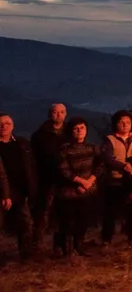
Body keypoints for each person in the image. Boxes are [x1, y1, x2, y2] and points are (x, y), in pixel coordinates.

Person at [102, 109, 132, 247]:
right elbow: (107, 158)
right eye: (121, 122)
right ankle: (106, 239)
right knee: (111, 212)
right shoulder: (110, 140)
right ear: (115, 124)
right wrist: (123, 166)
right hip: (115, 181)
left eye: (128, 122)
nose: (125, 125)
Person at [55, 119, 101, 258]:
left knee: (83, 219)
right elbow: (63, 170)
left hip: (88, 190)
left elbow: (100, 166)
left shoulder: (93, 148)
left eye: (82, 127)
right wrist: (81, 182)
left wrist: (89, 182)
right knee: (68, 220)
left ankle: (79, 245)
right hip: (69, 191)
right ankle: (66, 249)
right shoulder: (64, 149)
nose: (79, 130)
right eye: (76, 128)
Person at [0, 114, 39, 261]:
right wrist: (5, 194)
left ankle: (26, 254)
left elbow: (31, 165)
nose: (3, 126)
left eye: (7, 123)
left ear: (13, 126)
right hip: (2, 192)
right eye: (1, 124)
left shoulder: (21, 143)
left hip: (20, 190)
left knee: (26, 223)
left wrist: (32, 186)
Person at [30, 103, 69, 246]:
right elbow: (33, 159)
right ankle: (37, 245)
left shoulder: (70, 132)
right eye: (55, 112)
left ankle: (62, 245)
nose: (58, 115)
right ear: (49, 114)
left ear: (65, 114)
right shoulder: (40, 135)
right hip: (47, 178)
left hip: (66, 179)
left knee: (64, 212)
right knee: (43, 211)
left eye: (61, 112)